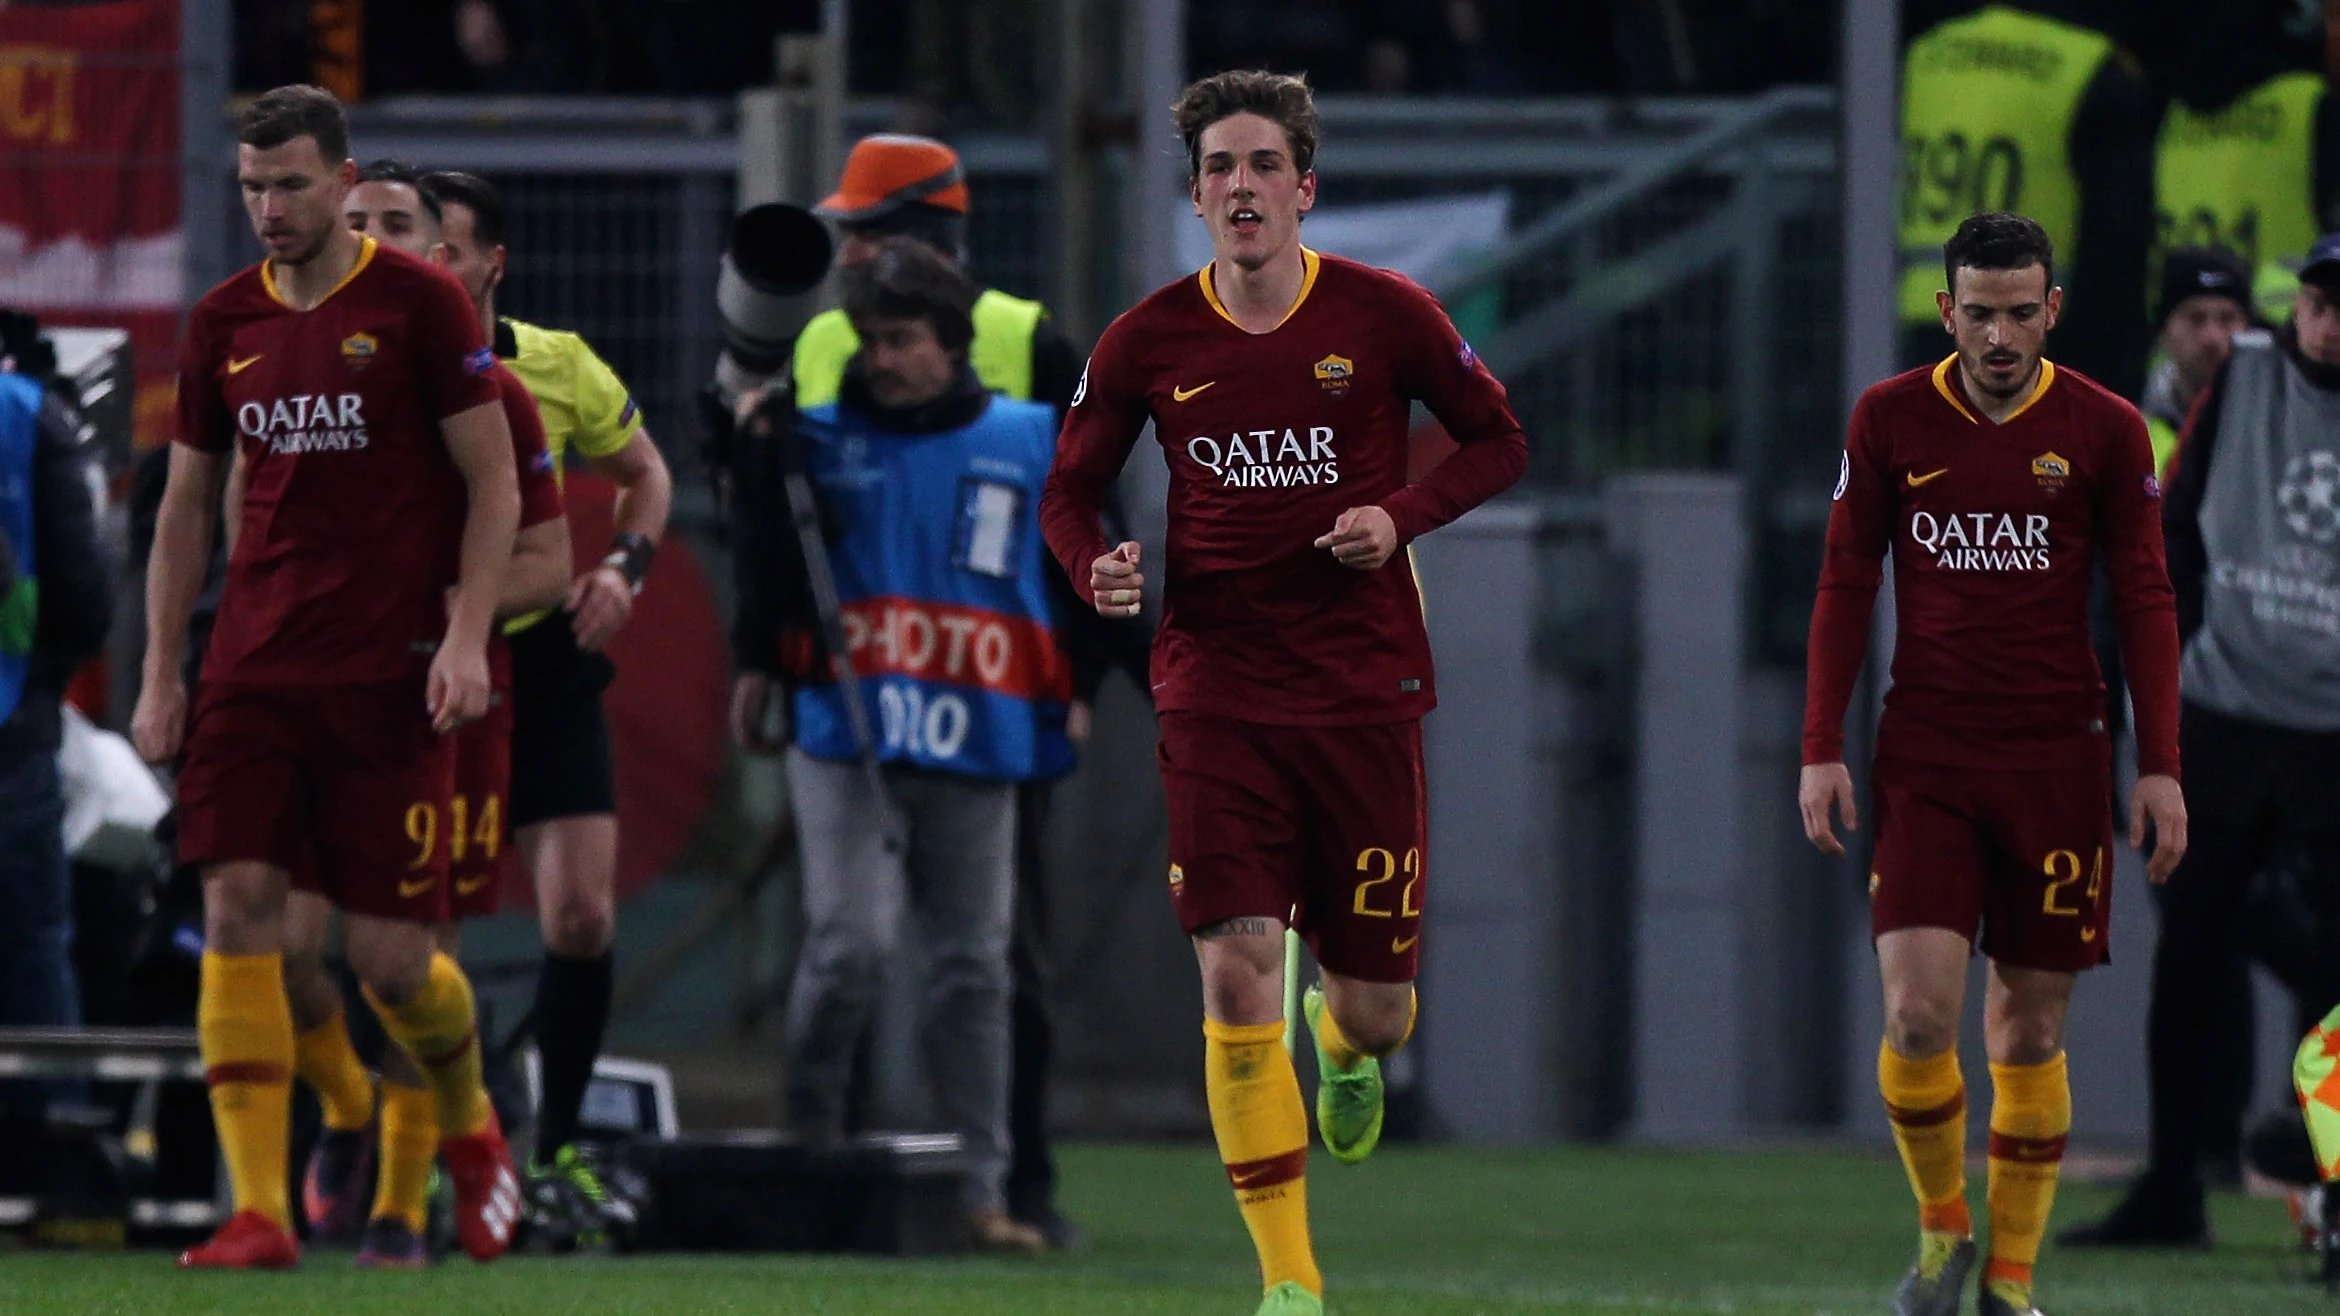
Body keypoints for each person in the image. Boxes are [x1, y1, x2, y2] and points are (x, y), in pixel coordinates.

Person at [1037, 70, 1527, 1316]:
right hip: (1214, 691)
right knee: (1235, 974)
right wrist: (1091, 565)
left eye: (1264, 166)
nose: (1241, 187)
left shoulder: (1386, 314)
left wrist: (1400, 514)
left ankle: (1349, 1038)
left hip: (1362, 691)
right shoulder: (1148, 339)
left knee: (1377, 1010)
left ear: (1305, 188)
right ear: (1196, 195)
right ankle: (1291, 1282)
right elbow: (1067, 488)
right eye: (1219, 168)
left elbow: (1500, 437)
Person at [130, 84, 524, 1270]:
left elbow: (495, 482)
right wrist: (162, 668)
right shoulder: (221, 322)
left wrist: (463, 639)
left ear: (344, 181)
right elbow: (188, 503)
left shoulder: (421, 301)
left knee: (390, 961)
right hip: (255, 663)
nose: (269, 208)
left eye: (291, 183)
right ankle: (259, 1209)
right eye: (252, 187)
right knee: (237, 908)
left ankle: (468, 1115)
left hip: (391, 667)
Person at [732, 130, 1147, 1247]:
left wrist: (1086, 674)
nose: (851, 250)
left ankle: (1006, 1183)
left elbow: (1093, 527)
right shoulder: (822, 348)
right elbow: (767, 513)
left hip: (991, 688)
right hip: (857, 681)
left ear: (927, 241)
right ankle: (839, 1159)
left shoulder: (1029, 356)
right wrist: (761, 651)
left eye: (865, 228)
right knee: (852, 945)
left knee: (994, 958)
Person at [1800, 211, 2186, 1316]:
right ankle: (1941, 1235)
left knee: (2028, 1027)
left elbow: (2147, 597)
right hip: (1928, 751)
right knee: (1918, 1017)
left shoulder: (2108, 431)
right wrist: (1822, 743)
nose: (2001, 335)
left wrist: (2159, 764)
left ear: (2052, 309)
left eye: (2022, 313)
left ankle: (2012, 1277)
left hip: (2060, 760)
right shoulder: (1888, 419)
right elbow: (1843, 582)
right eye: (1981, 314)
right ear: (1946, 312)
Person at [284, 158, 573, 1268]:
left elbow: (549, 555)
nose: (374, 242)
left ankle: (403, 1205)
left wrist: (463, 609)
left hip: (440, 702)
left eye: (399, 227)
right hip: (304, 693)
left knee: (404, 958)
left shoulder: (486, 387)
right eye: (357, 222)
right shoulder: (270, 352)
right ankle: (350, 1108)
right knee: (280, 945)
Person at [2059, 232, 2340, 1249]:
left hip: (2327, 727)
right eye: (2323, 299)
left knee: (2318, 961)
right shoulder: (2234, 391)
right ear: (2300, 304)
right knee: (2192, 953)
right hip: (2220, 714)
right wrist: (2163, 665)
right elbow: (2166, 533)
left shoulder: (2229, 387)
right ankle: (2182, 1177)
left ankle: (2316, 1168)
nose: (2333, 321)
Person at [421, 168, 675, 1242]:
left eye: (443, 248)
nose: (424, 267)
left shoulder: (556, 364)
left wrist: (624, 566)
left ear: (490, 264)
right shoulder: (382, 368)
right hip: (430, 666)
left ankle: (558, 1144)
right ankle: (427, 1149)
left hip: (544, 664)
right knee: (412, 936)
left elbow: (646, 474)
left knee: (581, 913)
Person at [1898, 3, 2154, 401]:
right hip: (2031, 345)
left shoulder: (1924, 55)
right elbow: (2117, 250)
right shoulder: (2091, 68)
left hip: (1914, 329)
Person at [0, 316, 112, 1054]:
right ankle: (54, 1136)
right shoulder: (29, 412)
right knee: (32, 947)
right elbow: (82, 601)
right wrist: (39, 685)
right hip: (13, 728)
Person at [2141, 247, 2255, 476]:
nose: (2212, 337)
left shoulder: (2273, 425)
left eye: (2227, 319)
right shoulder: (2131, 433)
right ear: (2164, 332)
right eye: (2195, 318)